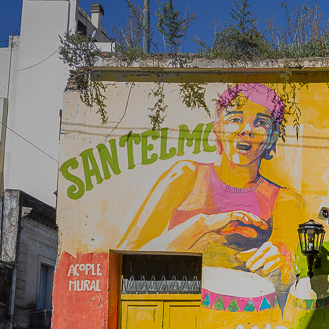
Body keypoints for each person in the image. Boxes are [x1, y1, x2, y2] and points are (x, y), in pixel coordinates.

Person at [118, 83, 306, 282]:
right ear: (218, 128)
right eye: (235, 119)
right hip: (178, 302)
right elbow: (130, 255)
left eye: (261, 122)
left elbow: (292, 263)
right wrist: (202, 225)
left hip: (251, 308)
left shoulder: (284, 200)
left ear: (271, 139)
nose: (247, 130)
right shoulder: (186, 176)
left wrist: (284, 256)